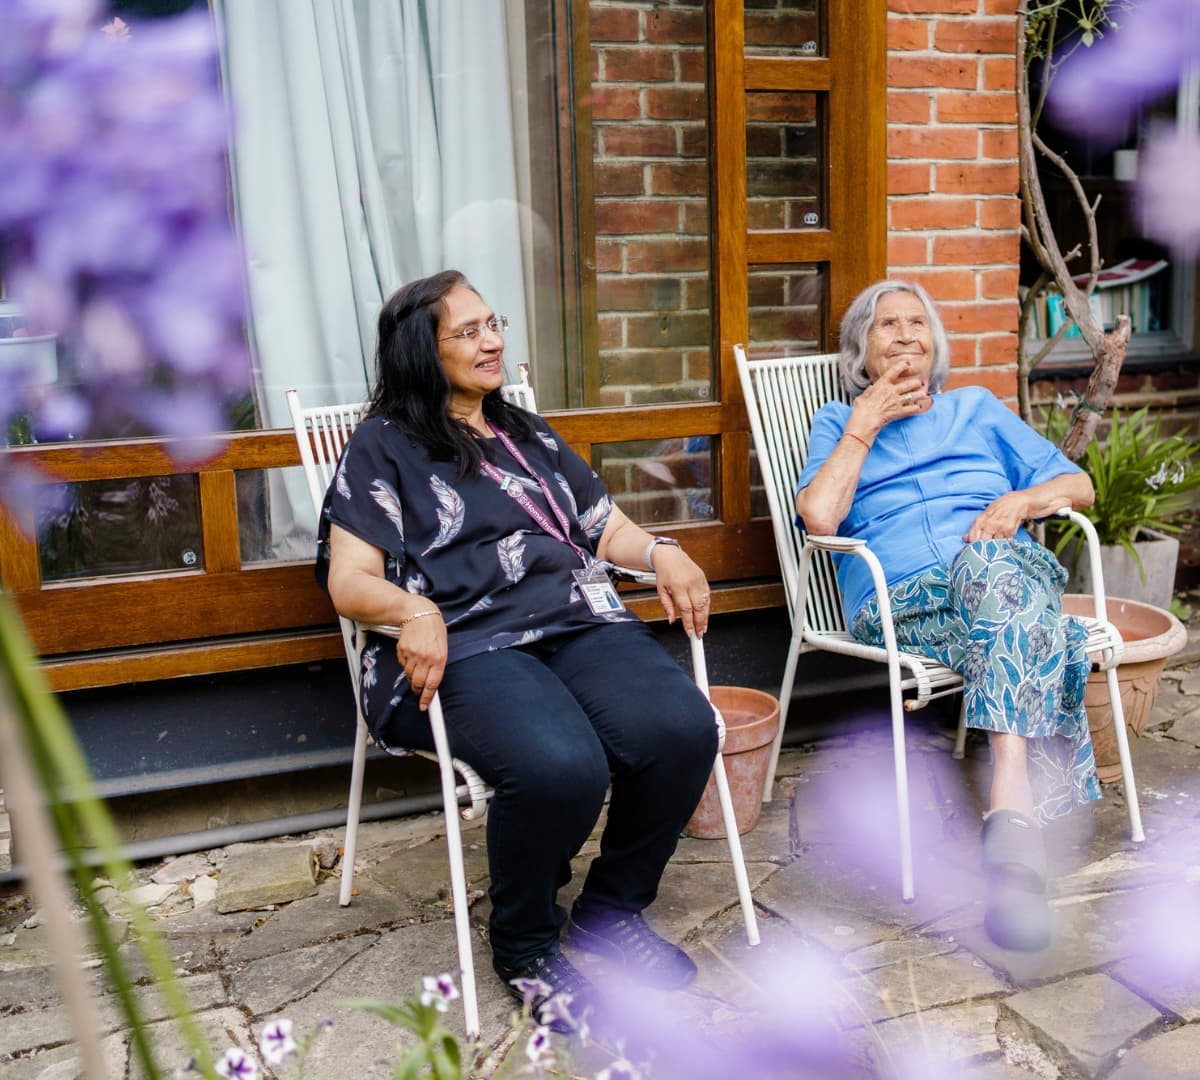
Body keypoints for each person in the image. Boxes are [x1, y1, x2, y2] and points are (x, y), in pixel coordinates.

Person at [316, 270, 718, 1025]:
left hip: (573, 620)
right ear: (420, 352)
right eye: (467, 332)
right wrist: (412, 610)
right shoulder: (382, 447)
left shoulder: (525, 432)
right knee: (559, 765)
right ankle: (527, 946)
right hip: (464, 643)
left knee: (682, 730)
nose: (493, 340)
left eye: (492, 322)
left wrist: (660, 548)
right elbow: (350, 581)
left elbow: (603, 527)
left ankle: (611, 910)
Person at [793, 279, 1101, 952]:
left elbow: (1078, 485)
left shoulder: (975, 409)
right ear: (861, 352)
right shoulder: (835, 424)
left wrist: (1022, 503)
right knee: (1032, 617)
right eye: (887, 326)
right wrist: (863, 426)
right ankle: (1017, 823)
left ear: (936, 343)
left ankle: (1008, 816)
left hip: (998, 577)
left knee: (992, 573)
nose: (906, 335)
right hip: (902, 600)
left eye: (917, 324)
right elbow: (819, 516)